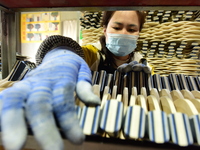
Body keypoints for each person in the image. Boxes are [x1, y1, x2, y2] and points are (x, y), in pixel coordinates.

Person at [0, 10, 151, 150]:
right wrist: (60, 53)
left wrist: (142, 82)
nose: (124, 33)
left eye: (131, 30)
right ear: (105, 29)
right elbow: (64, 44)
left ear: (139, 33)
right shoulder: (91, 54)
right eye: (117, 27)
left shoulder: (144, 64)